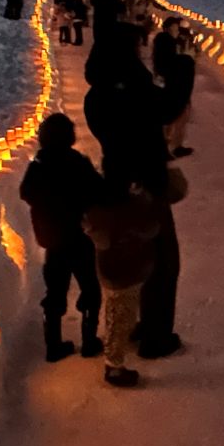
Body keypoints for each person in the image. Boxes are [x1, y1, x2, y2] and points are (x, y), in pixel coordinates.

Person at [85, 21, 183, 359]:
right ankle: (156, 336)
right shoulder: (133, 89)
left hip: (117, 180)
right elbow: (168, 107)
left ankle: (142, 323)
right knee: (164, 259)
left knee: (138, 253)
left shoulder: (97, 93)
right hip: (146, 183)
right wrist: (183, 69)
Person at [20, 114, 105, 363]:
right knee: (90, 286)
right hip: (79, 236)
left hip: (52, 240)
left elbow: (26, 192)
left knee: (55, 290)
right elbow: (96, 191)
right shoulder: (77, 162)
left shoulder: (37, 166)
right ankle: (89, 341)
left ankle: (53, 345)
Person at [83, 166, 163, 387]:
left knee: (116, 310)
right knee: (120, 316)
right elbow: (152, 228)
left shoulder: (97, 211)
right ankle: (114, 366)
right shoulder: (131, 210)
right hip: (128, 273)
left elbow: (95, 233)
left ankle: (117, 345)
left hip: (111, 272)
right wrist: (143, 200)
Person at [154, 26, 196, 159]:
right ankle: (174, 147)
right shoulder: (180, 62)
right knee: (178, 122)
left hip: (169, 93)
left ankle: (164, 146)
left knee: (168, 123)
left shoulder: (160, 61)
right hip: (178, 96)